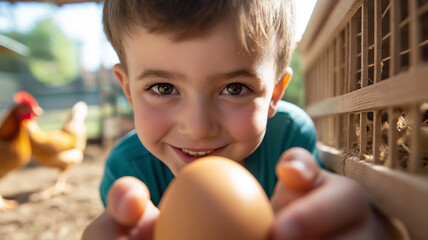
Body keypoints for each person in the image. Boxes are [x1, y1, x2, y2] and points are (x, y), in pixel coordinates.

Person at [82, 0, 400, 239]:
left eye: (235, 88)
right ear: (128, 91)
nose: (197, 127)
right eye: (162, 88)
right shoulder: (129, 171)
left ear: (275, 94)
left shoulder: (290, 140)